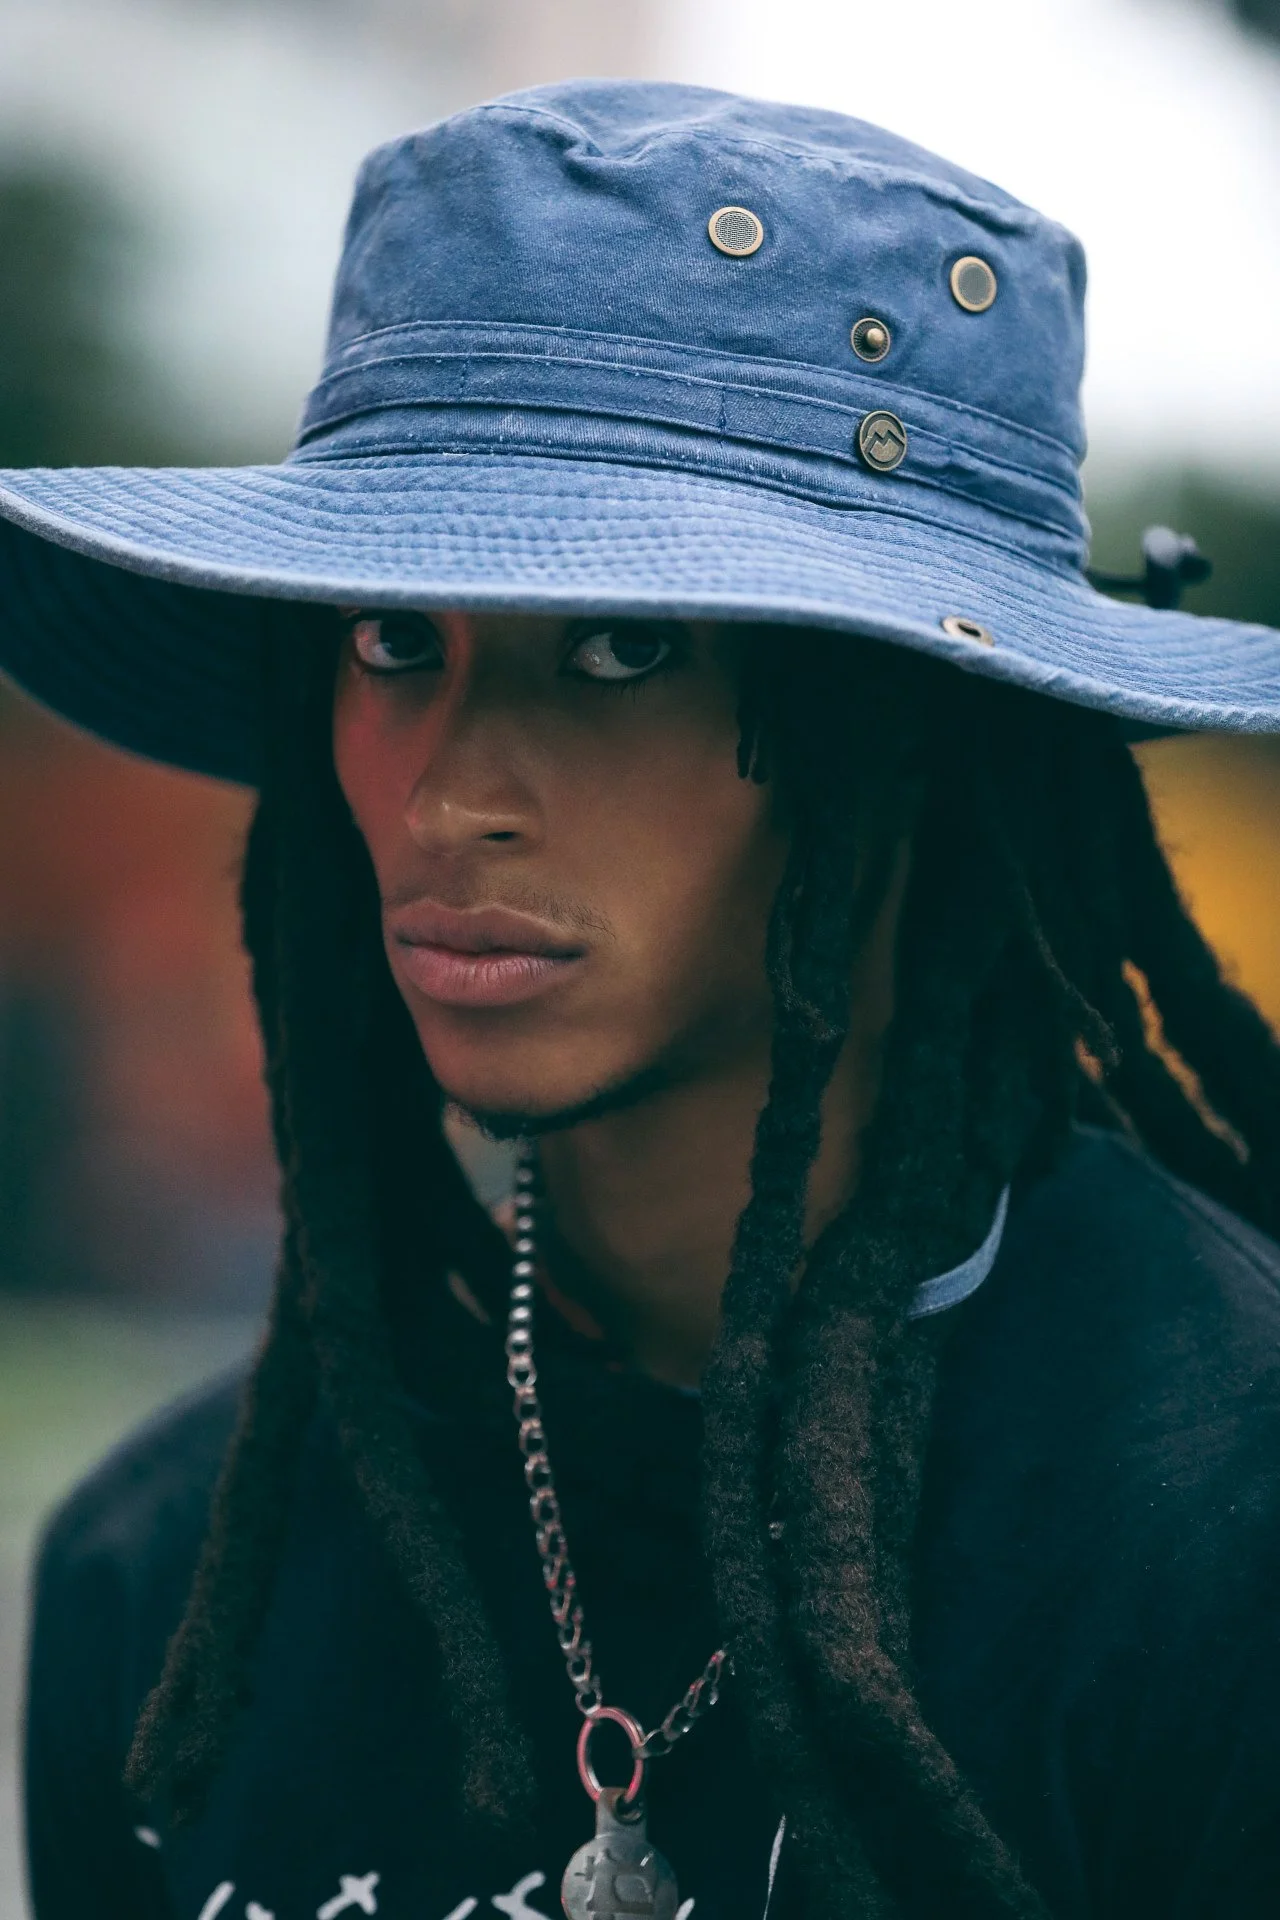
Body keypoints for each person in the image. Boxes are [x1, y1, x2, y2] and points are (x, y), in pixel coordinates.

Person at [5, 80, 1280, 1920]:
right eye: (391, 642)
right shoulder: (168, 1596)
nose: (448, 800)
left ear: (910, 732)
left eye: (621, 646)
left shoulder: (1213, 1547)